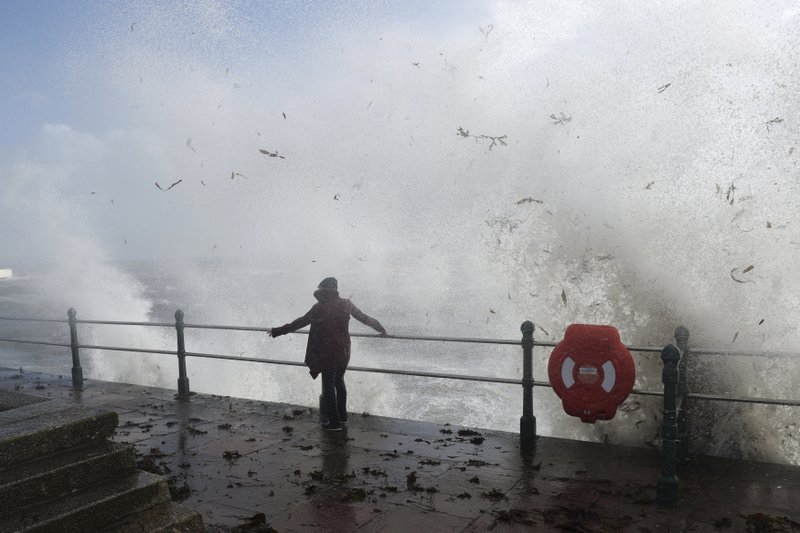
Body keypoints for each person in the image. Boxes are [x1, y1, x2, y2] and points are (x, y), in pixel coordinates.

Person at [268, 277, 387, 431]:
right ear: (335, 289)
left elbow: (300, 322)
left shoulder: (319, 307)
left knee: (328, 384)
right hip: (344, 349)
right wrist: (381, 328)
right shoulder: (346, 304)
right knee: (339, 381)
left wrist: (278, 331)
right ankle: (342, 417)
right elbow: (364, 318)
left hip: (327, 351)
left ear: (323, 289)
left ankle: (334, 422)